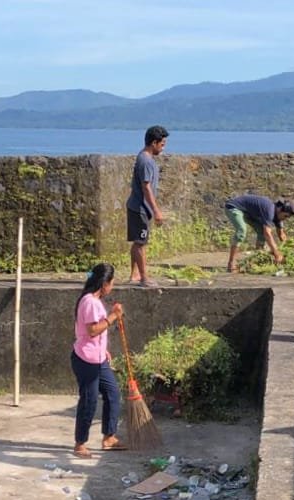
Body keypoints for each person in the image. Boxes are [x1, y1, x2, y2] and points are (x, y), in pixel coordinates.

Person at [70, 263, 127, 459]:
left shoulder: (93, 300)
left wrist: (104, 350)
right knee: (89, 400)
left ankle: (109, 437)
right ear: (104, 284)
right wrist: (113, 316)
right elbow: (92, 330)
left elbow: (95, 334)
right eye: (111, 283)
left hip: (98, 358)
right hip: (86, 361)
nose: (111, 287)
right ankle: (80, 443)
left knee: (112, 392)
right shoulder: (90, 302)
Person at [126, 125, 169, 288]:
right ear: (154, 142)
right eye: (162, 144)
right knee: (140, 243)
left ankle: (135, 274)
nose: (163, 148)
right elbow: (146, 187)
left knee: (138, 241)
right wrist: (156, 211)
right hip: (140, 208)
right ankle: (144, 278)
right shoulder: (145, 160)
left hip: (139, 207)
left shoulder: (145, 158)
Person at [224, 194, 294, 272]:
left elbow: (281, 235)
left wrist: (287, 250)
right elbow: (267, 233)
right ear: (280, 210)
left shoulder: (278, 215)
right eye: (285, 216)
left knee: (261, 231)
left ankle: (258, 258)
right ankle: (231, 264)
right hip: (233, 207)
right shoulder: (270, 210)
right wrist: (276, 253)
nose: (285, 219)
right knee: (241, 231)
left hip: (247, 212)